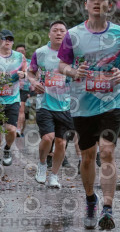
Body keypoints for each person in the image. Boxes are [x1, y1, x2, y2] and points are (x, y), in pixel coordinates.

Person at [58, 0, 120, 230]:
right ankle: (91, 200)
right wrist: (74, 72)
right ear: (85, 4)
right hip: (82, 104)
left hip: (111, 102)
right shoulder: (73, 35)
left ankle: (108, 208)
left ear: (109, 5)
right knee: (87, 157)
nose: (96, 2)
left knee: (107, 152)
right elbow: (62, 65)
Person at [26, 21, 74, 189]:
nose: (58, 33)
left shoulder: (73, 53)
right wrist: (33, 82)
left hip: (66, 105)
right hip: (44, 103)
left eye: (62, 31)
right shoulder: (40, 53)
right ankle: (41, 165)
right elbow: (30, 71)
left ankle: (54, 176)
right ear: (49, 34)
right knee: (48, 137)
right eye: (55, 30)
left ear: (67, 35)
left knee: (61, 143)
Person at [0, 29, 27, 168]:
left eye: (10, 39)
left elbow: (27, 72)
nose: (8, 41)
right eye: (5, 38)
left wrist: (24, 75)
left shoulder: (19, 57)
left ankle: (7, 149)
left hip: (13, 99)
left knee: (11, 129)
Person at [15, 44, 31, 137]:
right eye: (18, 51)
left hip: (25, 89)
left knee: (23, 111)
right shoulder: (12, 62)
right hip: (13, 89)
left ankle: (20, 130)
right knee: (17, 110)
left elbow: (34, 76)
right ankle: (17, 129)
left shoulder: (30, 63)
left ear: (25, 52)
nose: (21, 53)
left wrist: (31, 91)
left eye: (22, 51)